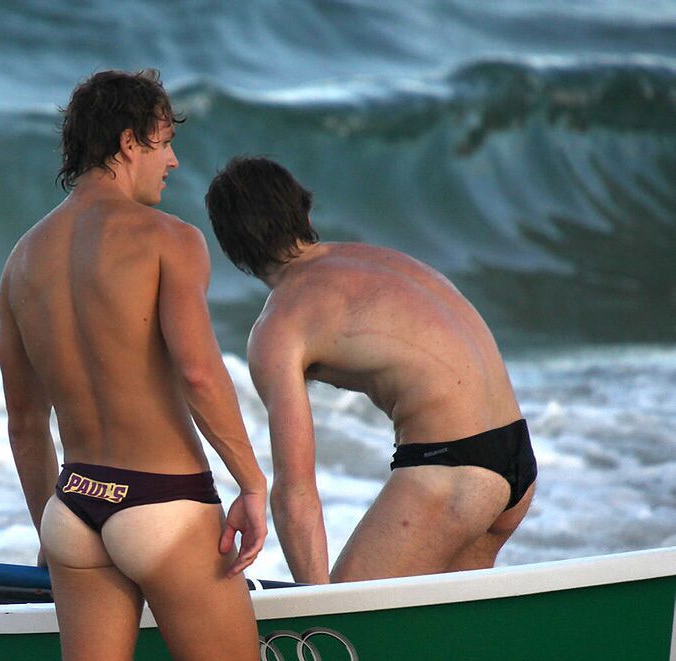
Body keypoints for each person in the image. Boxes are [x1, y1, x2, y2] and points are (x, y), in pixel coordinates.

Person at [0, 70, 269, 661]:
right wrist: (251, 482)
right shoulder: (166, 240)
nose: (173, 160)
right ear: (127, 143)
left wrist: (49, 530)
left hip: (77, 504)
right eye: (164, 141)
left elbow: (24, 422)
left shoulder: (23, 260)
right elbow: (197, 372)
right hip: (164, 503)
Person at [205, 156, 537, 585]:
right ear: (305, 211)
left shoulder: (280, 326)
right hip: (515, 458)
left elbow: (295, 492)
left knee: (355, 617)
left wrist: (321, 611)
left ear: (232, 250)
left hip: (452, 474)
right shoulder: (377, 259)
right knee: (442, 624)